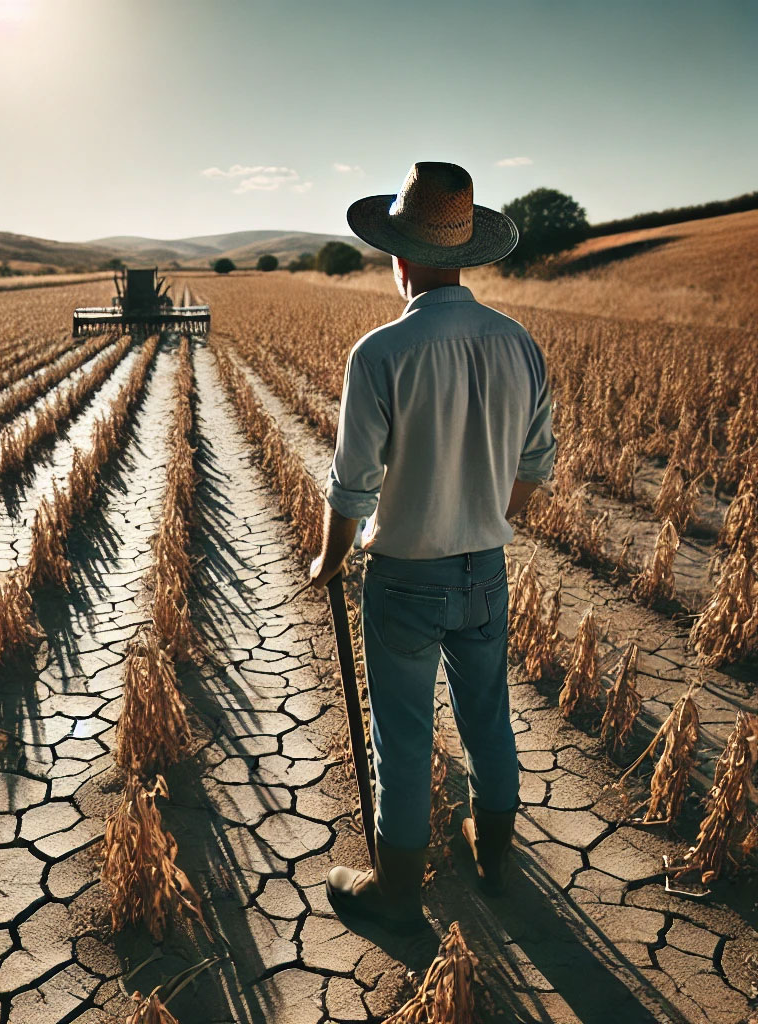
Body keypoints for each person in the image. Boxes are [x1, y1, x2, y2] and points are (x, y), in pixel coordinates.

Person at [309, 161, 558, 935]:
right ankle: (494, 855)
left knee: (404, 738)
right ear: (462, 253)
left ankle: (395, 894)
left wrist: (329, 558)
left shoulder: (379, 353)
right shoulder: (518, 344)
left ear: (401, 256)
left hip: (405, 578)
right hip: (485, 570)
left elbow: (352, 488)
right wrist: (486, 512)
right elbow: (535, 469)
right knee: (488, 715)